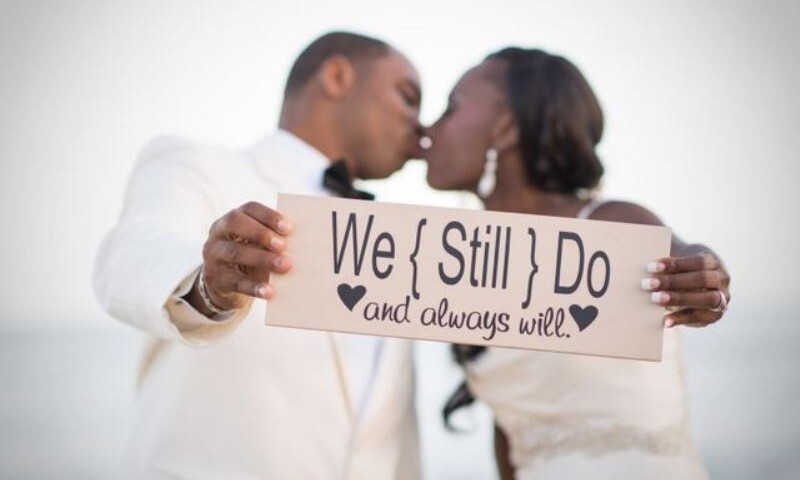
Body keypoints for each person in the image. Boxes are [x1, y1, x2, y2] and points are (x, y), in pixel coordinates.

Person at [93, 31, 424, 479]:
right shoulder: (196, 165)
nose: (422, 127)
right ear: (337, 75)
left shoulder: (405, 250)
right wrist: (208, 285)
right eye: (408, 97)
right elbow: (131, 254)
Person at [423, 47, 730, 479]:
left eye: (450, 108)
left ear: (506, 127)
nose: (428, 128)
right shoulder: (465, 271)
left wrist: (706, 278)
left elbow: (689, 257)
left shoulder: (612, 224)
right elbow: (513, 434)